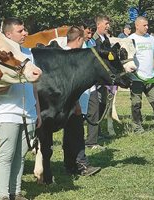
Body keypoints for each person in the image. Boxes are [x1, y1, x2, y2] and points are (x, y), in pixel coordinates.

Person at [0, 17, 41, 200]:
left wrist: (37, 109)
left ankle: (16, 192)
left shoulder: (28, 53)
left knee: (20, 155)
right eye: (20, 31)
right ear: (8, 34)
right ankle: (3, 195)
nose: (25, 33)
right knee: (6, 155)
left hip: (27, 110)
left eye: (24, 30)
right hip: (6, 111)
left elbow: (34, 85)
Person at [62, 26, 101, 176]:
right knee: (77, 133)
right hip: (73, 102)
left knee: (71, 133)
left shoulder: (66, 53)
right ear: (78, 39)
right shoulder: (69, 56)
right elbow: (71, 84)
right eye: (83, 40)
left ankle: (70, 165)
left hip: (76, 100)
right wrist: (76, 103)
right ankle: (82, 164)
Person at [128, 16, 154, 133]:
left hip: (151, 78)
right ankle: (137, 127)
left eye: (147, 25)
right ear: (137, 26)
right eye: (144, 25)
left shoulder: (151, 39)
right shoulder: (131, 39)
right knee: (136, 104)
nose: (147, 27)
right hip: (136, 77)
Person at [85, 15, 111, 149]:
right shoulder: (92, 39)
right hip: (95, 78)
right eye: (106, 24)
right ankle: (92, 139)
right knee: (94, 106)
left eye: (109, 24)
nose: (108, 26)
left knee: (102, 104)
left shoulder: (106, 38)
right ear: (99, 24)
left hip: (103, 77)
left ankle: (97, 132)